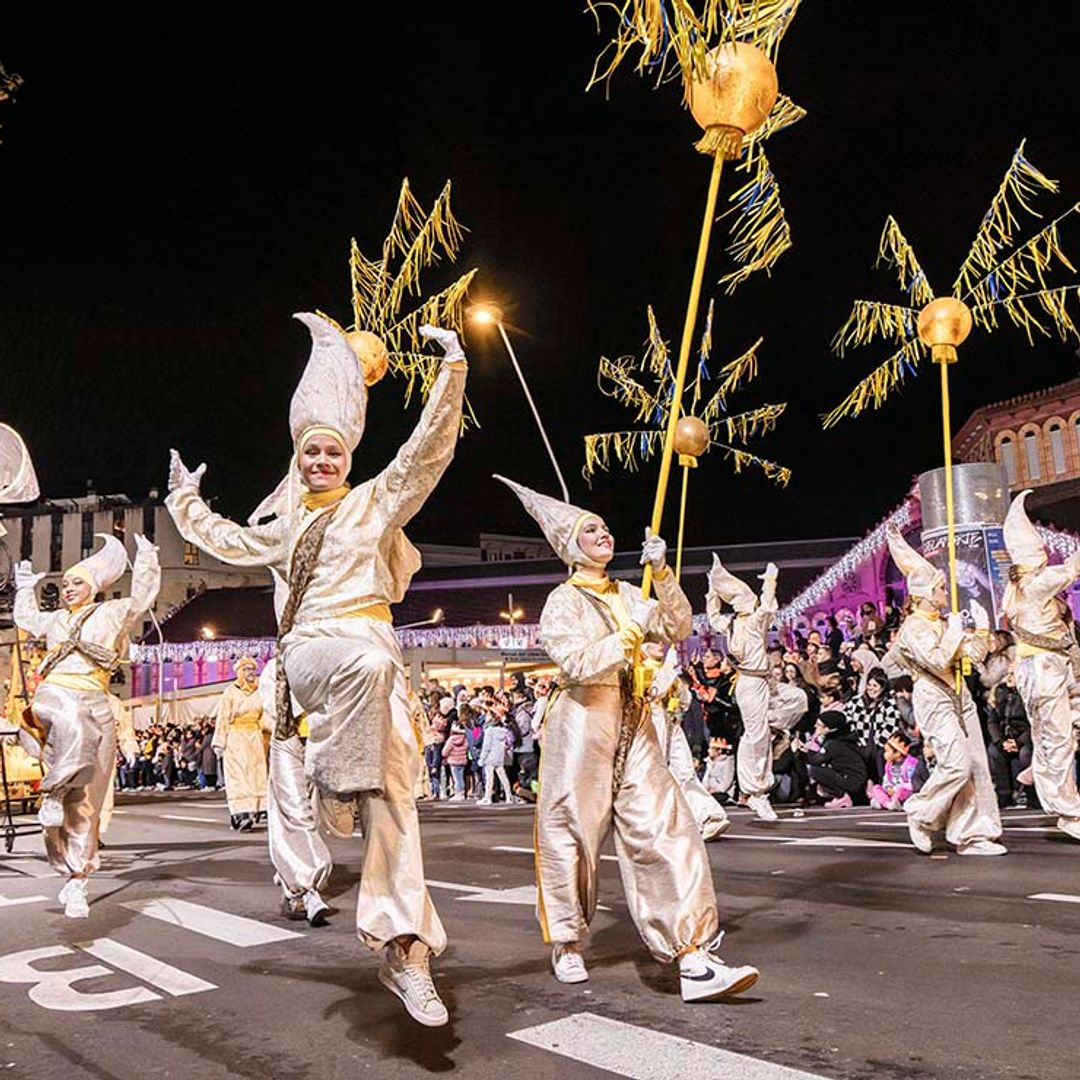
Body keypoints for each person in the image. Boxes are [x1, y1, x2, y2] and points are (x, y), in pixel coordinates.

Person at [166, 313, 466, 1026]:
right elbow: (226, 541)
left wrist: (452, 371)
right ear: (298, 462)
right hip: (313, 650)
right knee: (366, 663)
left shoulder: (373, 504)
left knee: (395, 801)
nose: (322, 461)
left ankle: (405, 949)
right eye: (312, 453)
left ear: (346, 458)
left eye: (332, 451)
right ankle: (332, 776)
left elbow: (426, 453)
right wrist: (183, 499)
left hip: (375, 652)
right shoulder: (287, 528)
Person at [496, 474, 759, 1002]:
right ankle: (567, 940)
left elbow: (679, 627)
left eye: (605, 528)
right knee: (571, 830)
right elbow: (576, 663)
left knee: (664, 826)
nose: (604, 534)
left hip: (636, 719)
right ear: (571, 547)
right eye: (590, 530)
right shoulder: (563, 601)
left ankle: (692, 955)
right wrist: (628, 636)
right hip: (582, 721)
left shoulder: (629, 592)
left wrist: (662, 575)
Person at [13, 533, 160, 917]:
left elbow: (141, 600)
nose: (67, 589)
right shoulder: (55, 620)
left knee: (87, 804)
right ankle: (53, 792)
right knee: (74, 721)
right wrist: (25, 588)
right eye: (64, 584)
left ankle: (76, 880)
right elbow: (26, 619)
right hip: (56, 695)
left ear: (93, 587)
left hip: (96, 701)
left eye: (76, 582)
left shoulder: (109, 613)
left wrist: (147, 558)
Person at [884, 525, 1005, 856]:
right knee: (956, 764)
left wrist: (981, 631)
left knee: (977, 766)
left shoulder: (943, 622)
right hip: (933, 697)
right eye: (940, 588)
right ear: (925, 594)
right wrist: (955, 632)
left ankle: (973, 834)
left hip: (960, 696)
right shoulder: (913, 628)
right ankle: (920, 812)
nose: (946, 592)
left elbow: (971, 656)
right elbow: (937, 660)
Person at [1001, 489, 1080, 841]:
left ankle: (1039, 768)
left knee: (1061, 731)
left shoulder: (1020, 587)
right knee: (1057, 736)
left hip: (1055, 665)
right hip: (1043, 668)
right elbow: (1072, 568)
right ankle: (1068, 811)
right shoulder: (1033, 584)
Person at [260, 658, 337, 927]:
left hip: (319, 744)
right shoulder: (276, 666)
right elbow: (272, 705)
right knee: (295, 813)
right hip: (287, 742)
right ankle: (306, 889)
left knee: (312, 815)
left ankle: (292, 881)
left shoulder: (326, 660)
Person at [706, 555, 780, 821]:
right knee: (757, 735)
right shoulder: (750, 622)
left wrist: (712, 593)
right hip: (752, 682)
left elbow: (713, 616)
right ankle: (755, 791)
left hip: (756, 682)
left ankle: (753, 788)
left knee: (760, 732)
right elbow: (768, 605)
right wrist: (770, 580)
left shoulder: (731, 624)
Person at [643, 644, 729, 840]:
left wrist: (679, 692)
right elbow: (655, 691)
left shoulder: (668, 669)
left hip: (671, 723)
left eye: (662, 641)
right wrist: (669, 667)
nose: (660, 645)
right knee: (653, 774)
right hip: (649, 722)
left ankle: (708, 817)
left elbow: (685, 700)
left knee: (685, 772)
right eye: (654, 641)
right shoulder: (641, 666)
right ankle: (652, 823)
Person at [212, 656, 269, 831]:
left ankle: (258, 807)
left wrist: (272, 733)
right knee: (238, 776)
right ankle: (240, 813)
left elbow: (266, 716)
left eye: (252, 669)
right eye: (246, 669)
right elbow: (223, 717)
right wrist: (220, 742)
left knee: (257, 774)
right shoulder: (230, 692)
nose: (250, 672)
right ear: (239, 672)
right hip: (235, 738)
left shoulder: (260, 691)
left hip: (255, 737)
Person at [792, 710, 867, 808]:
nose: (816, 727)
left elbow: (816, 760)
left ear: (830, 728)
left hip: (852, 781)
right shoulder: (842, 740)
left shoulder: (833, 744)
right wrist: (804, 750)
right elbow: (820, 755)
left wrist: (798, 753)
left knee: (815, 771)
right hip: (855, 779)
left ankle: (841, 797)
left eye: (819, 725)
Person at [867, 731, 920, 810]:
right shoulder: (889, 764)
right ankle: (887, 803)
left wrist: (896, 790)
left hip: (904, 792)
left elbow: (912, 783)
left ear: (898, 753)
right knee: (876, 788)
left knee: (902, 791)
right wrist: (888, 788)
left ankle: (886, 802)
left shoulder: (910, 764)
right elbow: (886, 779)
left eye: (887, 751)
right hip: (891, 791)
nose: (884, 754)